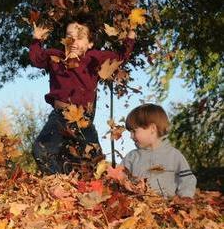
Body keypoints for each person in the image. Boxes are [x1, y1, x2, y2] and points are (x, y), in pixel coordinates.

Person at [29, 13, 136, 174]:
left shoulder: (93, 58)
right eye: (69, 36)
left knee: (91, 160)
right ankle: (60, 182)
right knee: (42, 149)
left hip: (83, 120)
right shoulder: (55, 57)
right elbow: (36, 58)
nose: (73, 41)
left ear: (90, 43)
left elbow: (121, 56)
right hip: (60, 116)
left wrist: (131, 35)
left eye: (80, 37)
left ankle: (88, 186)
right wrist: (36, 39)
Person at [121, 103, 197, 198]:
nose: (131, 136)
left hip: (167, 207)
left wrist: (186, 196)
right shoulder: (131, 157)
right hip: (138, 206)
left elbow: (187, 179)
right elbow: (120, 177)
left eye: (134, 131)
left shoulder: (174, 155)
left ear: (152, 129)